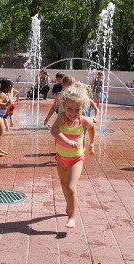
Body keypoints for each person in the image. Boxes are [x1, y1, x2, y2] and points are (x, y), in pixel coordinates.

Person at [50, 82, 96, 228]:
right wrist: (67, 140)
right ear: (63, 106)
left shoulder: (83, 121)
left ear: (83, 108)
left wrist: (92, 143)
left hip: (76, 159)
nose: (72, 112)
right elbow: (54, 131)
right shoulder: (62, 117)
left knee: (70, 187)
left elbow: (92, 126)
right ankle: (69, 204)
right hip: (61, 158)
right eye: (69, 108)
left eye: (77, 109)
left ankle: (72, 217)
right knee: (63, 185)